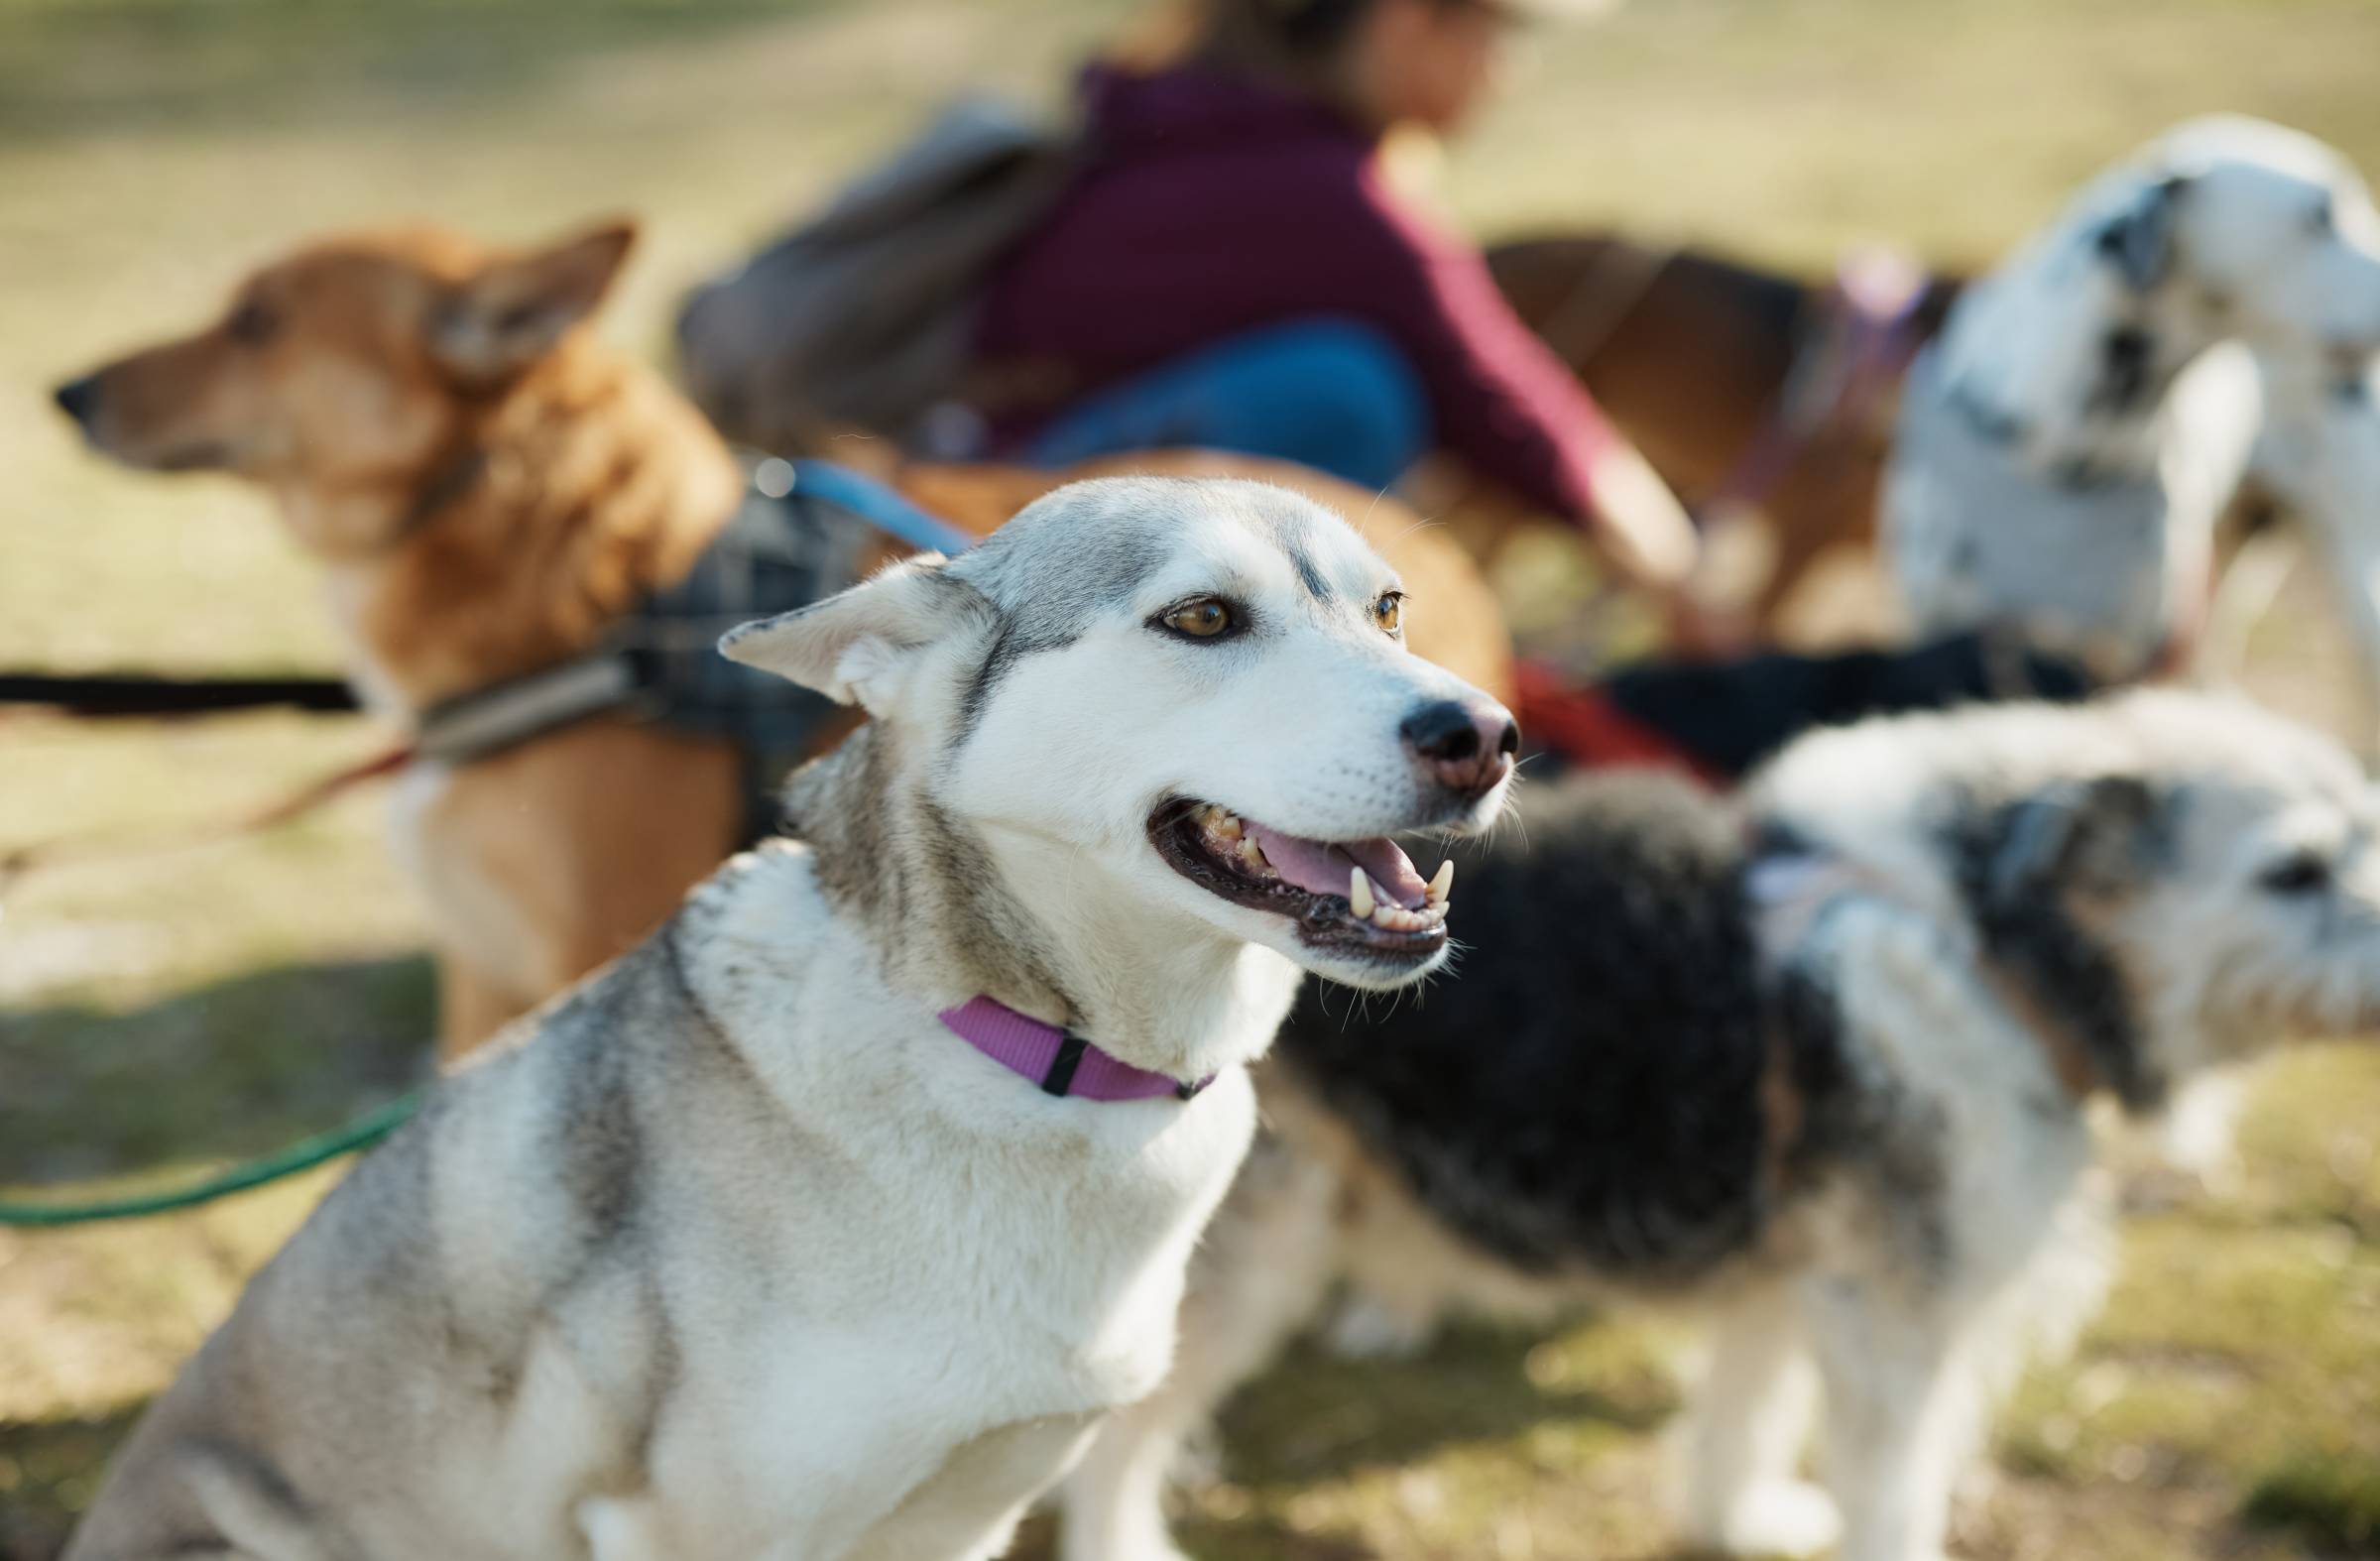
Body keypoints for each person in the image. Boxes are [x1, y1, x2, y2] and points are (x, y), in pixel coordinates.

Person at [970, 0, 1702, 598]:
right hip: (1029, 524)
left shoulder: (1183, 126)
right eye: (1497, 33)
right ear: (1409, 21)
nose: (1508, 72)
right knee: (1342, 392)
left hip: (1003, 469)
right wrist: (1676, 569)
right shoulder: (1327, 197)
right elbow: (1506, 401)